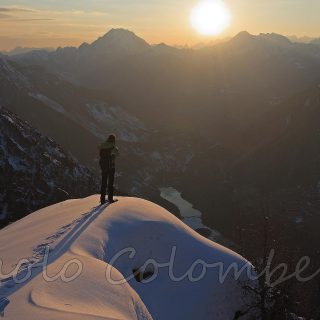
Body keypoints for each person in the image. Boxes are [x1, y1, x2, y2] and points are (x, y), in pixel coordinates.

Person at [99, 134, 119, 204]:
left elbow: (99, 148)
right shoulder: (113, 147)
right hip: (111, 166)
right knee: (110, 183)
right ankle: (110, 199)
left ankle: (102, 200)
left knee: (103, 183)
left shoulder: (102, 145)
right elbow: (117, 154)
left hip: (104, 166)